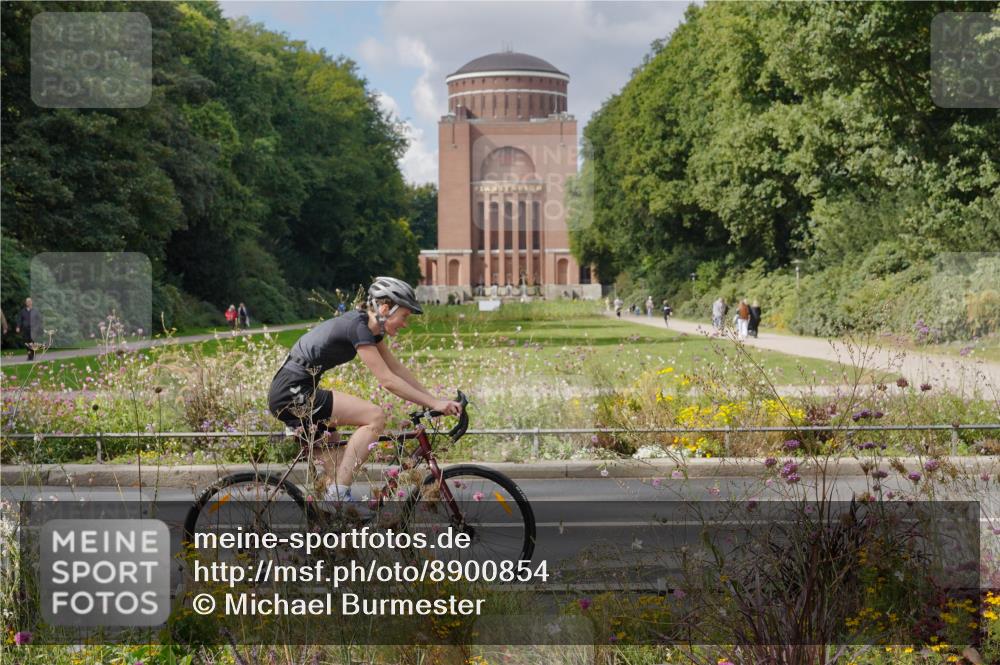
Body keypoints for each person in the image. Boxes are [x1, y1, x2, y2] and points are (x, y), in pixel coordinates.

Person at [267, 277, 461, 509]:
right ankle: (337, 495)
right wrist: (433, 402)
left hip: (297, 389)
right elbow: (387, 380)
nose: (405, 323)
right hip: (292, 392)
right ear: (386, 309)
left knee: (339, 471)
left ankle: (333, 526)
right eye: (405, 316)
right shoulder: (358, 327)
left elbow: (396, 368)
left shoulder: (370, 328)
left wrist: (434, 401)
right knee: (375, 416)